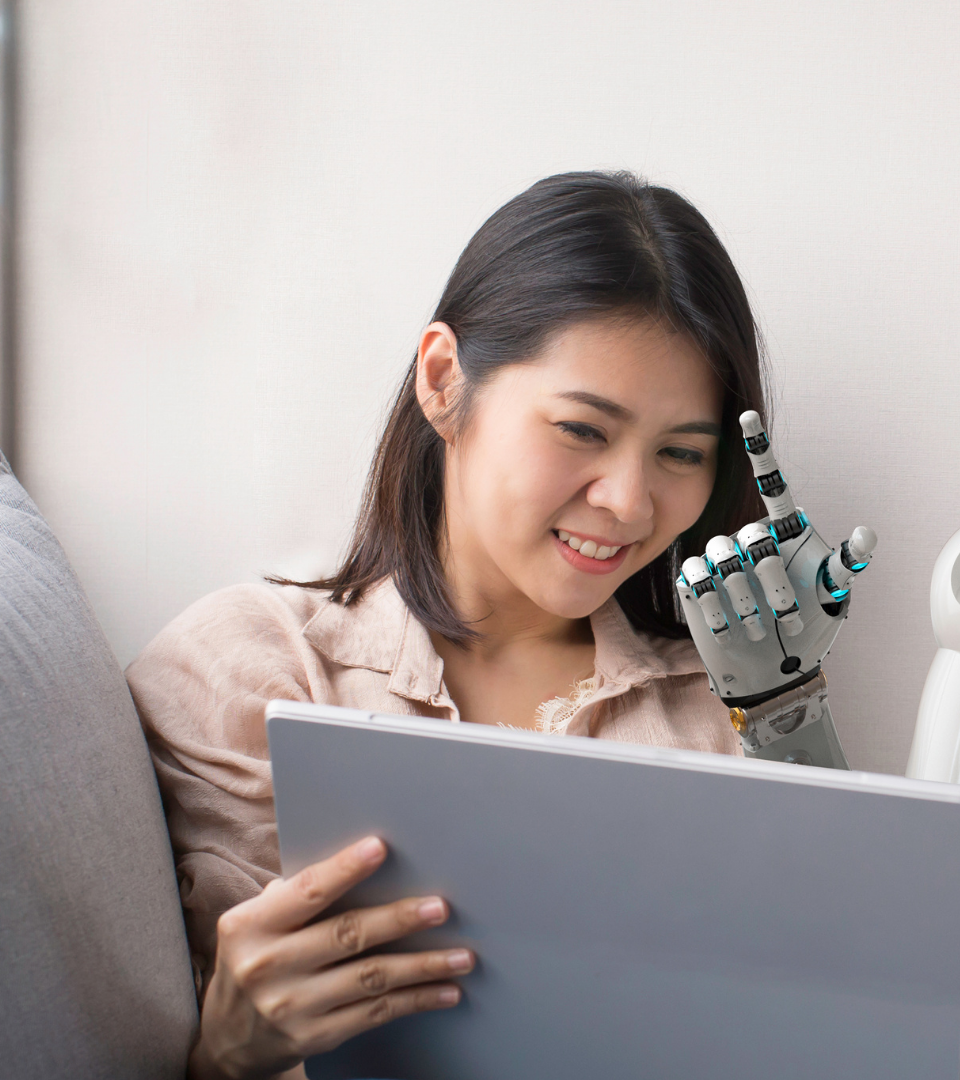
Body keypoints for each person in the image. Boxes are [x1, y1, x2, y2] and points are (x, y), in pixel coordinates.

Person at [130, 171, 774, 1079]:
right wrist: (228, 1056)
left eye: (680, 453)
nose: (629, 503)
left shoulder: (727, 715)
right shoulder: (253, 674)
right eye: (583, 430)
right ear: (443, 381)